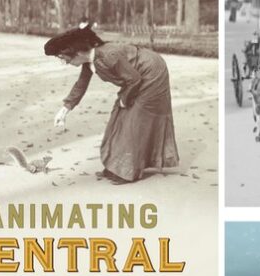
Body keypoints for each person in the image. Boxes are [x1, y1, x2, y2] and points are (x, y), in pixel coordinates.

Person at [44, 23, 179, 184]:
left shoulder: (108, 55)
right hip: (134, 78)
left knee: (134, 120)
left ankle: (127, 171)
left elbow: (134, 79)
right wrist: (65, 110)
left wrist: (124, 99)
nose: (65, 62)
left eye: (64, 58)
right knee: (118, 118)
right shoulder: (89, 61)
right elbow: (81, 84)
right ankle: (116, 166)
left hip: (151, 73)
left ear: (78, 53)